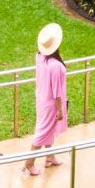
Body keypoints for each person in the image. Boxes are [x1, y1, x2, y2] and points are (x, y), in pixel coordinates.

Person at [22, 23, 68, 175]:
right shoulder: (56, 66)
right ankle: (29, 163)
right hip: (50, 104)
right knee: (42, 132)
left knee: (47, 129)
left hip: (41, 99)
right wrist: (60, 109)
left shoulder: (39, 57)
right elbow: (57, 92)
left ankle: (50, 156)